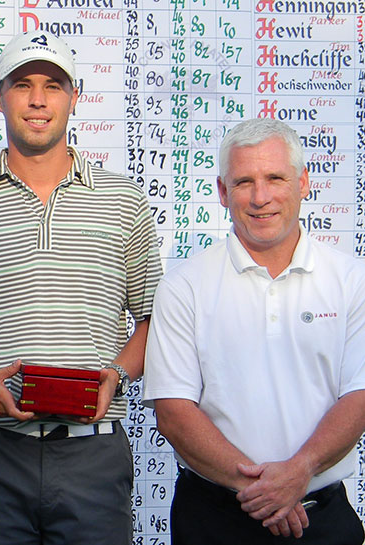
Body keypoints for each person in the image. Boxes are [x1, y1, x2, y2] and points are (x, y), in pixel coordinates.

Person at [0, 30, 163, 544]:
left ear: (74, 98)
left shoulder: (124, 200)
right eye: (22, 84)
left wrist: (117, 375)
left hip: (92, 458)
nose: (38, 100)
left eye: (53, 85)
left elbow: (151, 322)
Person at [143, 117, 365, 544]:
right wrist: (265, 491)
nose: (261, 197)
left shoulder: (351, 280)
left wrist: (300, 471)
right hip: (214, 521)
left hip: (321, 518)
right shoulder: (183, 286)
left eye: (275, 178)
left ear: (302, 182)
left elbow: (359, 395)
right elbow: (173, 413)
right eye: (244, 182)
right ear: (223, 193)